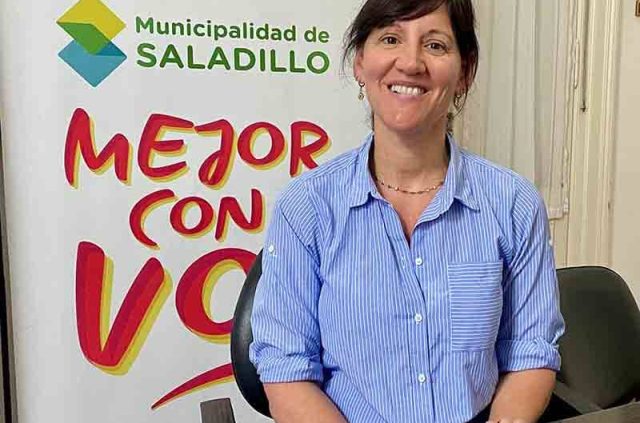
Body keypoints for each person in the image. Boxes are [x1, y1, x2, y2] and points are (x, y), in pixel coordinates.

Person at [249, 1, 564, 422]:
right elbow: (287, 371)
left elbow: (530, 353)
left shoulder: (513, 204)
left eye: (435, 45)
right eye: (390, 39)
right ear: (360, 62)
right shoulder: (306, 207)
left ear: (465, 71)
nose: (411, 63)